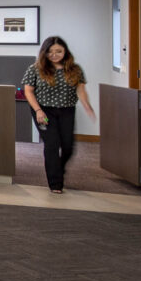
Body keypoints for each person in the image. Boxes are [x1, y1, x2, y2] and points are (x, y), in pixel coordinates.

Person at [21, 35, 95, 194]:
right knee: (52, 143)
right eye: (50, 52)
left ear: (65, 52)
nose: (54, 55)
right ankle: (55, 184)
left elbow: (81, 90)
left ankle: (58, 169)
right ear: (44, 53)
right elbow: (28, 91)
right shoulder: (35, 68)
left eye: (58, 51)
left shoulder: (75, 69)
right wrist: (38, 111)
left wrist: (87, 105)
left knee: (68, 146)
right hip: (44, 111)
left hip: (67, 110)